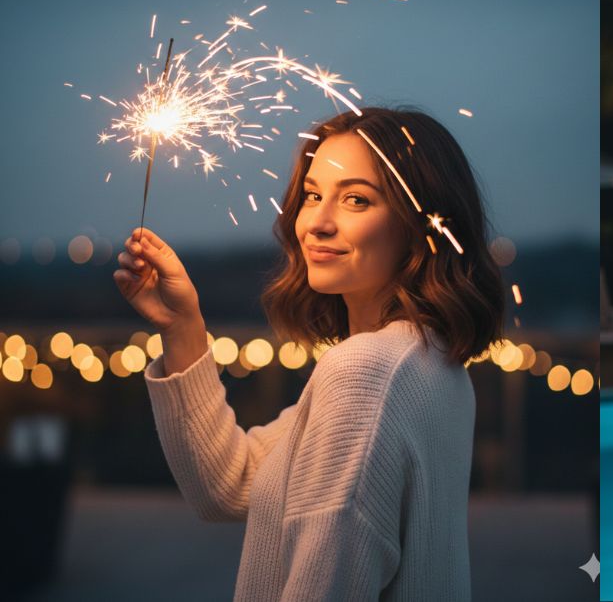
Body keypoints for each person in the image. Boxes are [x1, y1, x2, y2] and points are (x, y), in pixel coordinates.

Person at [113, 107, 505, 601]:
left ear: (420, 225)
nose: (316, 222)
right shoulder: (433, 365)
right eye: (314, 195)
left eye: (357, 200)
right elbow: (230, 483)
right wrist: (182, 325)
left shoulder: (365, 375)